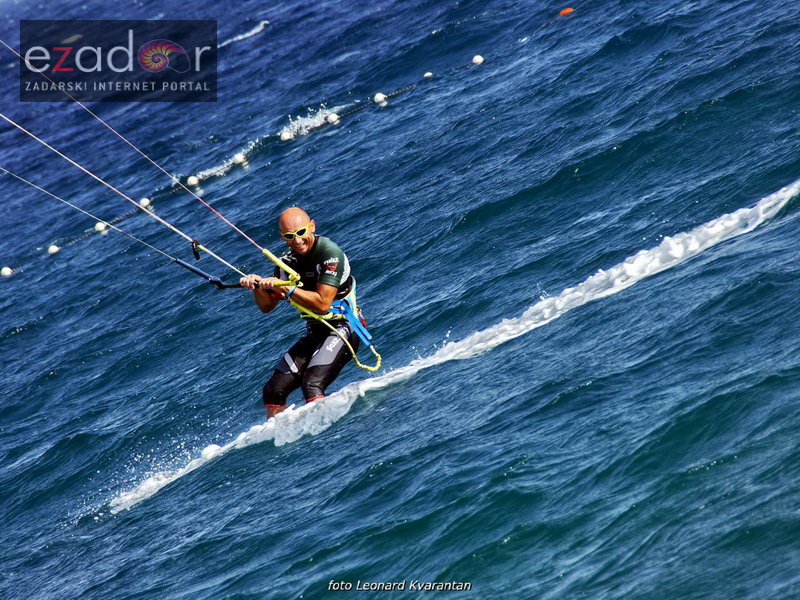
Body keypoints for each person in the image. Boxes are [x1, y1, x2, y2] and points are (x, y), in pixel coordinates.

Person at [240, 207, 362, 419]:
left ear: (312, 226)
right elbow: (266, 306)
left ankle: (335, 438)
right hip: (316, 333)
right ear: (283, 237)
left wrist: (286, 288)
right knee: (273, 391)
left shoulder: (330, 255)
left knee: (311, 385)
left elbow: (323, 304)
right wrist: (258, 286)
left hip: (344, 328)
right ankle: (284, 445)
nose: (296, 240)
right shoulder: (286, 264)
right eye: (289, 236)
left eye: (300, 232)